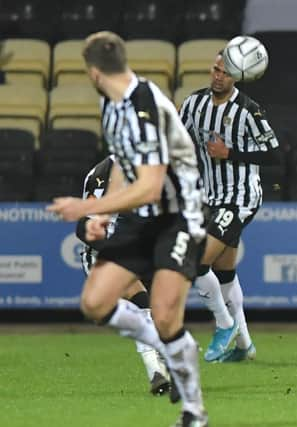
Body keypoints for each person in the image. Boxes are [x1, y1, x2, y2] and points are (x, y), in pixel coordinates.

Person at [47, 31, 209, 427]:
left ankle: (194, 411)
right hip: (143, 218)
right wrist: (103, 216)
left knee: (166, 315)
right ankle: (163, 347)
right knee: (95, 302)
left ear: (94, 71)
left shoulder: (144, 106)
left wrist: (87, 206)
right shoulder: (112, 104)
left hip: (179, 216)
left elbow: (151, 186)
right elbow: (122, 163)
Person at [179, 49, 281, 362]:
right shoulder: (193, 104)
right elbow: (180, 141)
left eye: (224, 72)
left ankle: (225, 326)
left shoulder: (249, 111)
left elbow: (273, 154)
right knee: (224, 273)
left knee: (196, 262)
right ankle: (244, 345)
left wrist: (230, 154)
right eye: (214, 69)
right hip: (210, 198)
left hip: (241, 198)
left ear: (237, 75)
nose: (217, 75)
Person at [76, 155, 170, 395]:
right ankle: (156, 372)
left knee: (154, 313)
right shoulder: (103, 173)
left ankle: (163, 361)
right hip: (105, 254)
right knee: (138, 298)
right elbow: (82, 227)